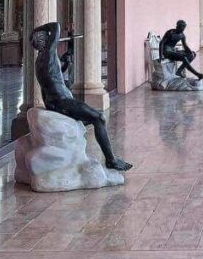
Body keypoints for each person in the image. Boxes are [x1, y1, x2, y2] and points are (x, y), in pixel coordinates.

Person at [32, 22, 132, 171]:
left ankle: (82, 148)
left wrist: (65, 65)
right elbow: (56, 26)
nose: (50, 40)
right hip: (63, 102)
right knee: (99, 118)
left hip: (56, 101)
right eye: (46, 38)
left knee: (88, 117)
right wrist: (36, 30)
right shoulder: (48, 53)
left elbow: (54, 80)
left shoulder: (40, 60)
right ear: (43, 42)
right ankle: (111, 160)